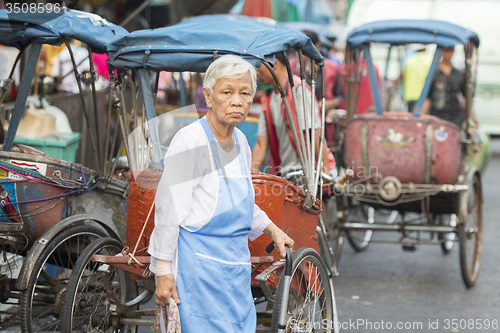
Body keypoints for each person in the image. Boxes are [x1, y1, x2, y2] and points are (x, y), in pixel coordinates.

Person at [148, 55, 294, 333]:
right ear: (208, 96)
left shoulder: (241, 142)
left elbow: (243, 204)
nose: (237, 101)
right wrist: (163, 271)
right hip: (197, 274)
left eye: (245, 93)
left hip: (235, 272)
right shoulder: (191, 140)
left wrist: (272, 229)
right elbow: (168, 211)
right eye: (227, 92)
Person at [251, 52, 333, 177]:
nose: (257, 73)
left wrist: (325, 173)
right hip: (287, 175)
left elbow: (315, 136)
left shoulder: (298, 91)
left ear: (274, 64)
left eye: (258, 66)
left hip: (309, 173)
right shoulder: (267, 98)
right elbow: (261, 144)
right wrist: (250, 176)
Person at [421, 47, 466, 127]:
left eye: (450, 50)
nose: (448, 54)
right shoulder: (433, 73)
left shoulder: (459, 74)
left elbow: (466, 98)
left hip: (455, 118)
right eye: (446, 50)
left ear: (453, 51)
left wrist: (472, 118)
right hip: (437, 116)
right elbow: (428, 97)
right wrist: (421, 118)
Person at [403, 44, 433, 112]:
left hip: (410, 96)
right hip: (425, 97)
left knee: (412, 121)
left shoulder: (409, 60)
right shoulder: (430, 60)